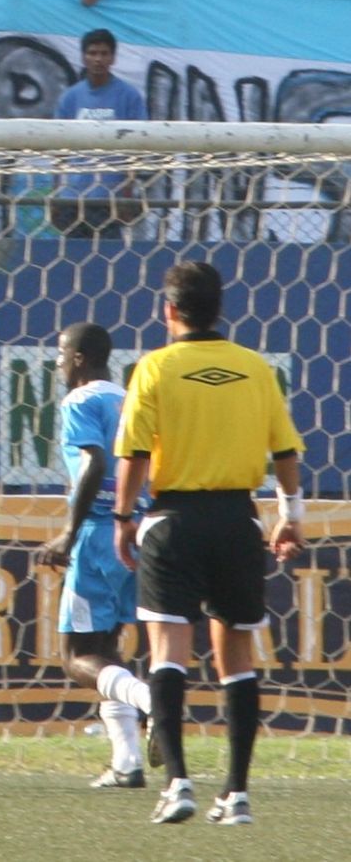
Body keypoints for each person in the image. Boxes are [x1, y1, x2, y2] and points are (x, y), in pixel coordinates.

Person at [111, 260, 306, 826]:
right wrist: (290, 517)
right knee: (237, 659)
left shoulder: (154, 368)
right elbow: (286, 453)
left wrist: (124, 518)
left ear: (168, 310)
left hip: (174, 521)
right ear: (220, 310)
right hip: (238, 523)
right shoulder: (254, 368)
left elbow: (135, 455)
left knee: (168, 651)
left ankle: (177, 784)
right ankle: (238, 794)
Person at [33, 322, 153, 790]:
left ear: (80, 358)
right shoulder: (127, 400)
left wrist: (69, 532)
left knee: (76, 656)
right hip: (134, 533)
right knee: (107, 652)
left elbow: (95, 464)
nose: (58, 362)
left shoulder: (79, 401)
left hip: (100, 536)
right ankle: (126, 761)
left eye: (62, 353)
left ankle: (151, 700)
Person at [50, 27, 145, 237]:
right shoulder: (70, 98)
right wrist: (56, 193)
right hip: (73, 198)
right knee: (71, 260)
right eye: (92, 53)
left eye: (104, 53)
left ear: (113, 58)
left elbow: (135, 151)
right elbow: (59, 151)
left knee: (107, 260)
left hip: (109, 199)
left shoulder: (129, 96)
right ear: (84, 57)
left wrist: (126, 195)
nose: (98, 59)